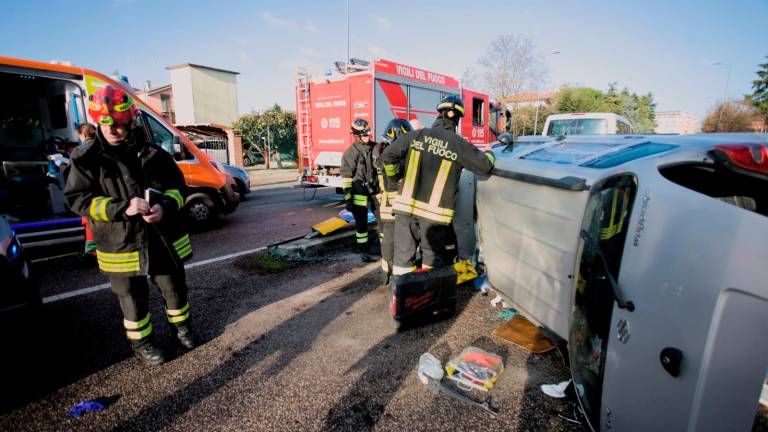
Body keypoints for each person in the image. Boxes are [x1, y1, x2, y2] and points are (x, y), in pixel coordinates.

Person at [65, 85, 195, 366]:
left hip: (159, 237)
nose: (112, 130)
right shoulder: (86, 158)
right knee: (132, 298)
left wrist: (165, 206)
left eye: (119, 125)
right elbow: (78, 200)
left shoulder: (153, 153)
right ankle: (143, 345)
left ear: (131, 120)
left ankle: (182, 329)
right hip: (120, 243)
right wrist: (122, 208)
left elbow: (177, 188)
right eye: (105, 123)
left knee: (174, 288)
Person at [382, 95, 495, 275]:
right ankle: (428, 299)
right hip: (433, 217)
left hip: (405, 212)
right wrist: (490, 153)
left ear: (439, 114)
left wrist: (394, 177)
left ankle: (403, 299)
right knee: (432, 263)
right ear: (456, 117)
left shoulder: (416, 135)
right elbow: (485, 166)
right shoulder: (457, 143)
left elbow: (387, 156)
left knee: (403, 261)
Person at [374, 118, 413, 283]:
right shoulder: (401, 157)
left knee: (388, 244)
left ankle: (387, 276)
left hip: (386, 208)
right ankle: (399, 277)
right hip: (401, 207)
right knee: (404, 244)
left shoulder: (381, 155)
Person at [340, 118, 379, 261]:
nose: (368, 137)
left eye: (368, 134)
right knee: (361, 222)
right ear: (357, 136)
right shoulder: (351, 153)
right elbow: (346, 177)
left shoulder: (375, 147)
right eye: (365, 134)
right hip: (359, 193)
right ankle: (363, 248)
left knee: (381, 218)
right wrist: (348, 198)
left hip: (375, 191)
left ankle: (383, 245)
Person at [74, 123, 98, 255]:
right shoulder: (104, 147)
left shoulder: (79, 151)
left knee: (89, 222)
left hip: (89, 196)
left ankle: (91, 251)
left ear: (82, 135)